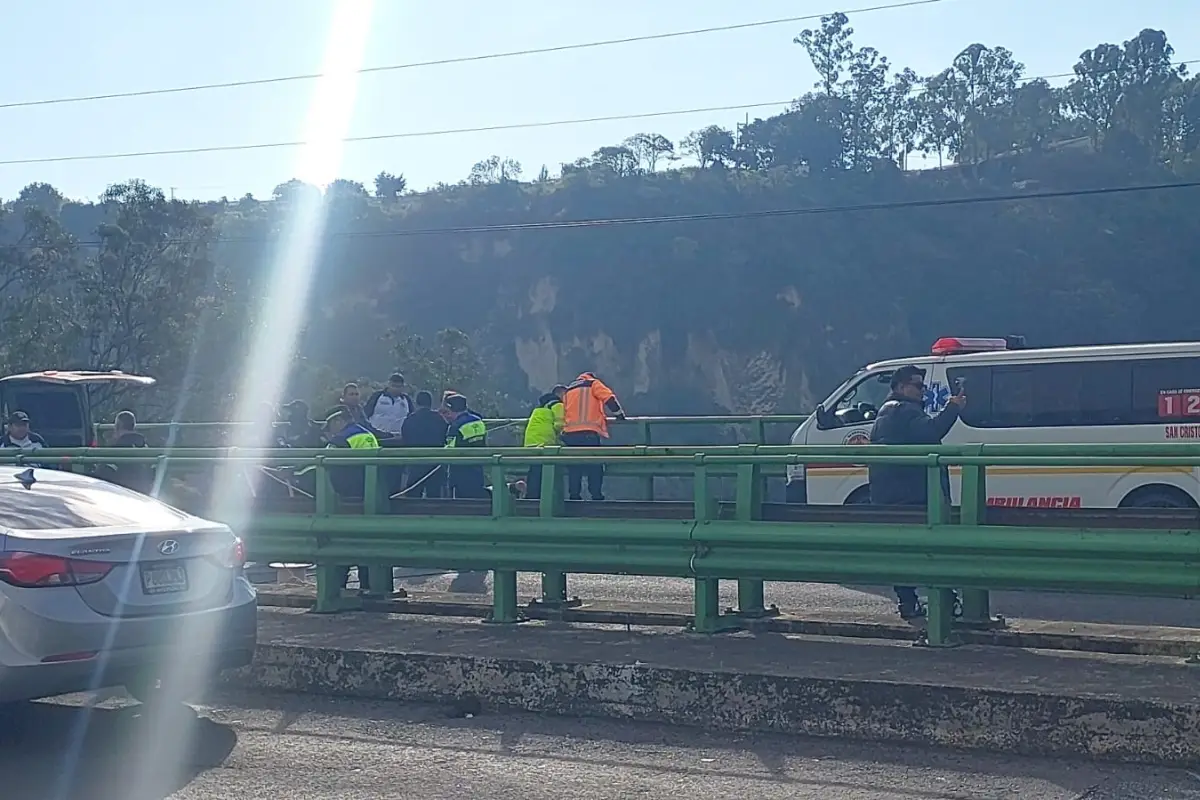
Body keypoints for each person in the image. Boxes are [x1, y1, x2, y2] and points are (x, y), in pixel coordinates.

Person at [868, 364, 966, 620]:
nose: (923, 391)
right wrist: (953, 407)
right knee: (933, 548)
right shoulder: (907, 412)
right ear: (901, 387)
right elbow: (933, 431)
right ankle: (946, 601)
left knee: (902, 551)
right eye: (918, 386)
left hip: (890, 497)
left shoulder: (885, 413)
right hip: (914, 496)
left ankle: (908, 602)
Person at [561, 372, 624, 501]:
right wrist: (619, 415)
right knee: (594, 464)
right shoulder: (593, 384)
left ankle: (574, 496)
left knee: (574, 466)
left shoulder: (569, 390)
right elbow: (609, 398)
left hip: (570, 433)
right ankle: (596, 495)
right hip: (588, 432)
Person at [399, 390, 448, 498]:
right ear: (430, 403)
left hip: (415, 461)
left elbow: (405, 438)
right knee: (434, 496)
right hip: (435, 463)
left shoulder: (410, 419)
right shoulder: (439, 419)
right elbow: (445, 437)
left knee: (413, 496)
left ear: (417, 402)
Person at [522, 385, 567, 500]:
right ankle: (543, 498)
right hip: (544, 440)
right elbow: (559, 425)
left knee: (534, 469)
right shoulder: (558, 405)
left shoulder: (541, 406)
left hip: (531, 439)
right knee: (544, 470)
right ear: (561, 394)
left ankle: (531, 496)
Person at [443, 394, 488, 499]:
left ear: (451, 409)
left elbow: (449, 451)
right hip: (478, 471)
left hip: (460, 473)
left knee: (460, 506)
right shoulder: (478, 421)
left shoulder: (455, 426)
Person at [108, 410, 153, 493]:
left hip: (122, 491)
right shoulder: (145, 448)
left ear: (118, 426)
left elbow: (104, 473)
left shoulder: (116, 449)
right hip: (144, 492)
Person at [365, 373, 412, 443]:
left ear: (403, 387)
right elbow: (366, 415)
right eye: (393, 386)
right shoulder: (377, 396)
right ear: (388, 384)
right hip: (378, 437)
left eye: (398, 387)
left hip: (399, 438)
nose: (395, 389)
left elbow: (411, 418)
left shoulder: (406, 400)